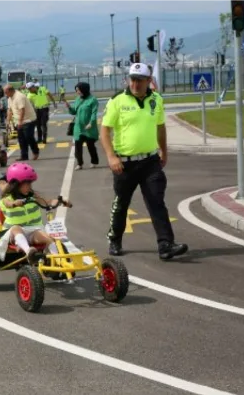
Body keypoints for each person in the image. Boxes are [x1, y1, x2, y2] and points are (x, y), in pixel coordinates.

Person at [100, 62, 188, 260]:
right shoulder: (117, 101)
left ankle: (165, 245)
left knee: (156, 201)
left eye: (140, 80)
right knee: (122, 203)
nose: (135, 84)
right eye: (132, 80)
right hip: (124, 164)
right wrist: (111, 156)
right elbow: (105, 130)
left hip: (150, 161)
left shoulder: (156, 100)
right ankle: (115, 238)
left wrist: (164, 151)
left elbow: (161, 127)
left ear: (149, 81)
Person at [0, 163, 70, 262]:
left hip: (33, 230)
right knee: (16, 228)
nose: (29, 186)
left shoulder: (33, 196)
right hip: (13, 233)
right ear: (15, 184)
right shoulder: (6, 198)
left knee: (48, 238)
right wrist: (14, 203)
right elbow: (8, 203)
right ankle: (29, 252)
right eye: (26, 184)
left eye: (30, 183)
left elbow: (47, 202)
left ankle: (59, 261)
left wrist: (60, 201)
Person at [63, 82, 99, 170]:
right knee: (78, 147)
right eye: (76, 90)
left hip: (89, 128)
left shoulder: (93, 100)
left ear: (84, 89)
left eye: (78, 90)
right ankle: (79, 163)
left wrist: (91, 123)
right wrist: (69, 107)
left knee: (91, 146)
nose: (77, 92)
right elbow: (74, 112)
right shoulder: (77, 99)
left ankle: (94, 161)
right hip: (78, 128)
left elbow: (94, 113)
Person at [4, 83, 40, 161]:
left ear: (10, 91)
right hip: (18, 120)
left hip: (29, 119)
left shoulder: (19, 96)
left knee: (28, 136)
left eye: (6, 92)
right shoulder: (10, 98)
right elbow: (9, 110)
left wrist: (20, 121)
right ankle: (24, 155)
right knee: (21, 139)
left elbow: (22, 110)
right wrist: (8, 121)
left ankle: (35, 151)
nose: (5, 94)